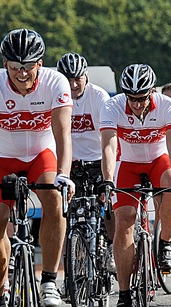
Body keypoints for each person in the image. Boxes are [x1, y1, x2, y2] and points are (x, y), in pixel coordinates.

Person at [0, 28, 74, 307]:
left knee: (53, 198)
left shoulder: (56, 82)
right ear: (5, 65)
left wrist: (64, 174)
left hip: (42, 155)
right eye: (15, 68)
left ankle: (51, 281)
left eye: (28, 67)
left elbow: (62, 136)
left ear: (40, 64)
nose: (22, 74)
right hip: (5, 157)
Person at [100, 63, 171, 307]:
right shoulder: (113, 107)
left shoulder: (169, 106)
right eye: (131, 98)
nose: (136, 104)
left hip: (158, 161)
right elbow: (110, 147)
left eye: (141, 98)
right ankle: (124, 295)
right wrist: (107, 181)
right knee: (124, 219)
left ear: (153, 91)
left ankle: (166, 243)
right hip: (129, 165)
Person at [56, 52, 115, 276]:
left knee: (108, 205)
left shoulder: (98, 96)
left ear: (85, 76)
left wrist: (107, 174)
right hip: (69, 163)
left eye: (77, 79)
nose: (72, 85)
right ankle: (73, 271)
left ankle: (110, 247)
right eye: (67, 79)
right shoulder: (57, 96)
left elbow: (109, 137)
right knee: (67, 217)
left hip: (97, 160)